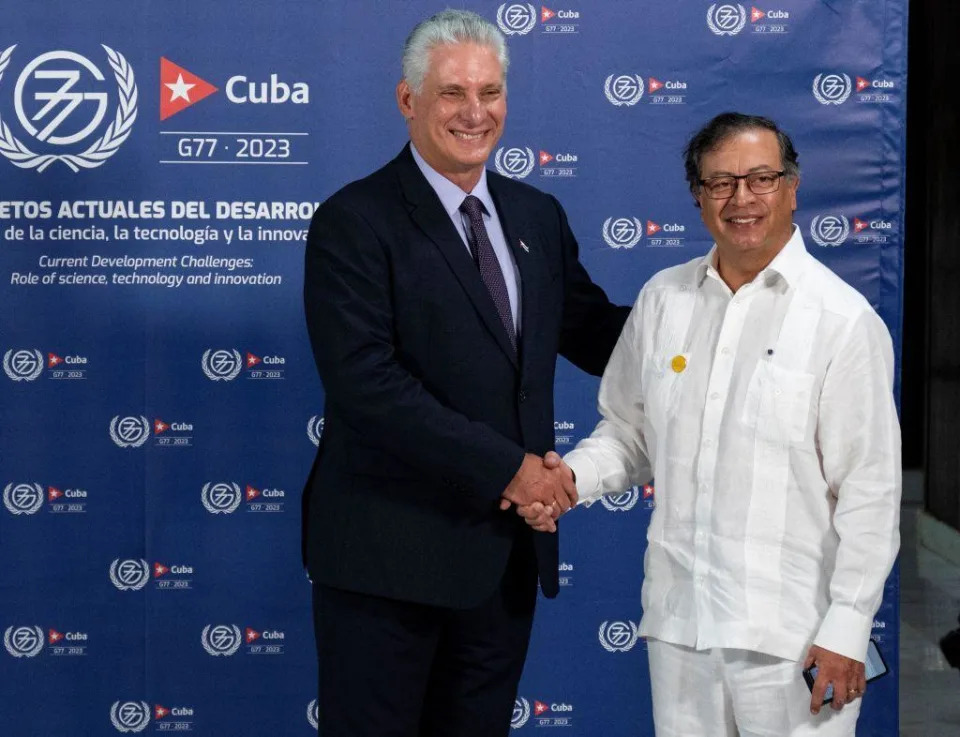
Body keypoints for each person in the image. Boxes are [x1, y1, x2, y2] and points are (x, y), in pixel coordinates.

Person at [301, 10, 629, 737]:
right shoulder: (354, 221)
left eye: (490, 92)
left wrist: (712, 320)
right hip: (387, 562)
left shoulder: (536, 215)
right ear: (407, 100)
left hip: (500, 559)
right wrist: (512, 468)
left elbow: (596, 331)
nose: (474, 112)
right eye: (452, 93)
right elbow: (367, 385)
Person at [520, 113, 901, 736]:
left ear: (793, 187)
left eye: (760, 178)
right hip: (680, 628)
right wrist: (567, 482)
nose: (741, 198)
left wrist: (848, 628)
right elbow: (628, 433)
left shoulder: (843, 320)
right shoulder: (662, 300)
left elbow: (871, 491)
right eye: (721, 182)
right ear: (698, 197)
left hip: (793, 637)